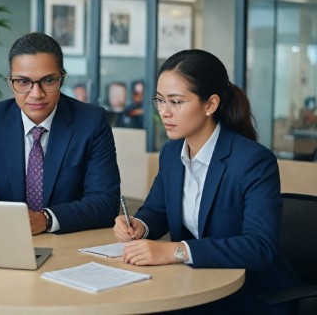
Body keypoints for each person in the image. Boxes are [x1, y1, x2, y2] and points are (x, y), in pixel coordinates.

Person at [113, 49, 300, 314]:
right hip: (192, 285)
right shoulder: (171, 152)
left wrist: (176, 252)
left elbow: (259, 247)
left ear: (210, 104)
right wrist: (138, 226)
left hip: (249, 295)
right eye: (160, 100)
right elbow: (156, 211)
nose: (164, 112)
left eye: (176, 102)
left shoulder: (253, 161)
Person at [0, 32, 120, 234]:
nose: (36, 94)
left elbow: (105, 203)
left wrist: (46, 219)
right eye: (23, 82)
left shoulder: (91, 121)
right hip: (8, 240)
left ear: (61, 79)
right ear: (11, 81)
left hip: (69, 242)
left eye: (48, 81)